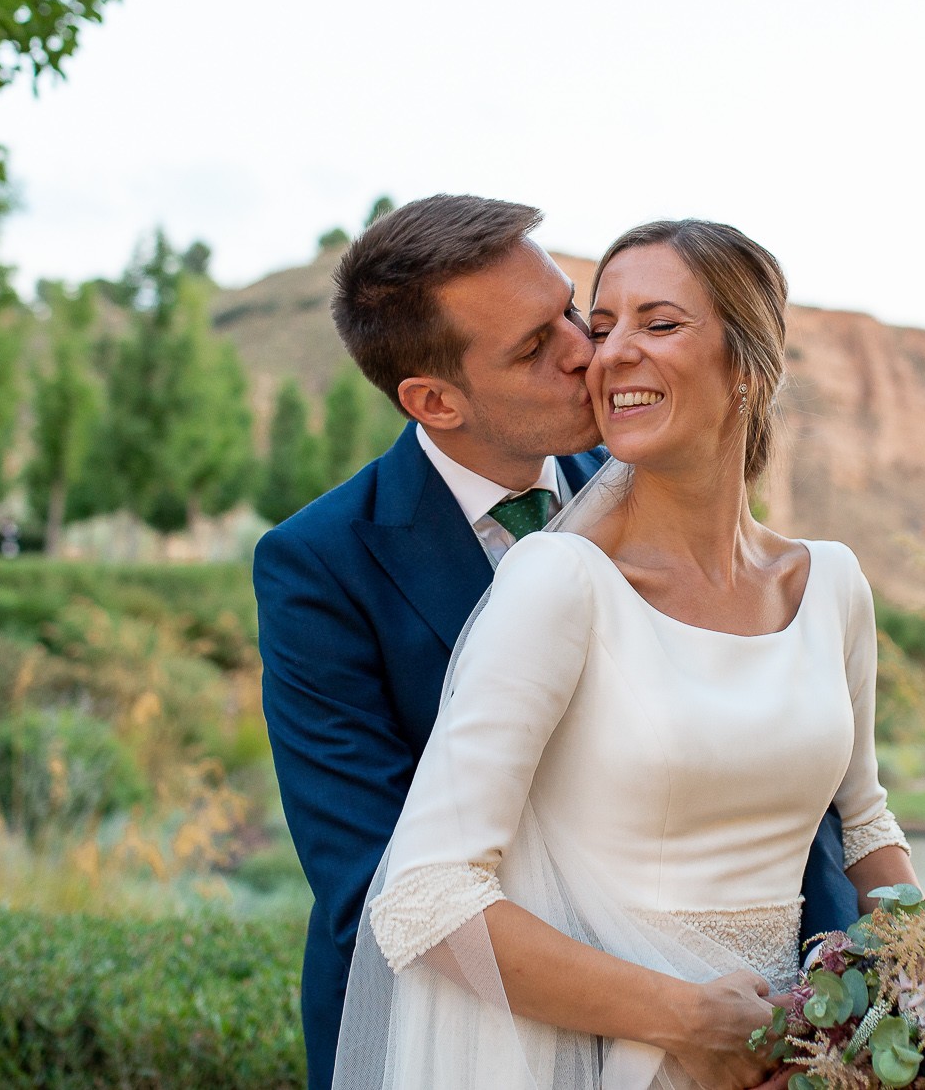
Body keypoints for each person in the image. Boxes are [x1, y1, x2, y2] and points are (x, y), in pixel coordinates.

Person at [254, 199, 859, 1090]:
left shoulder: (653, 471)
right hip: (462, 1043)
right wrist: (674, 1021)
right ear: (435, 399)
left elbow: (771, 771)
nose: (589, 351)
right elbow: (379, 889)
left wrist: (828, 1006)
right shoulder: (320, 566)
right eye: (536, 346)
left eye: (574, 309)